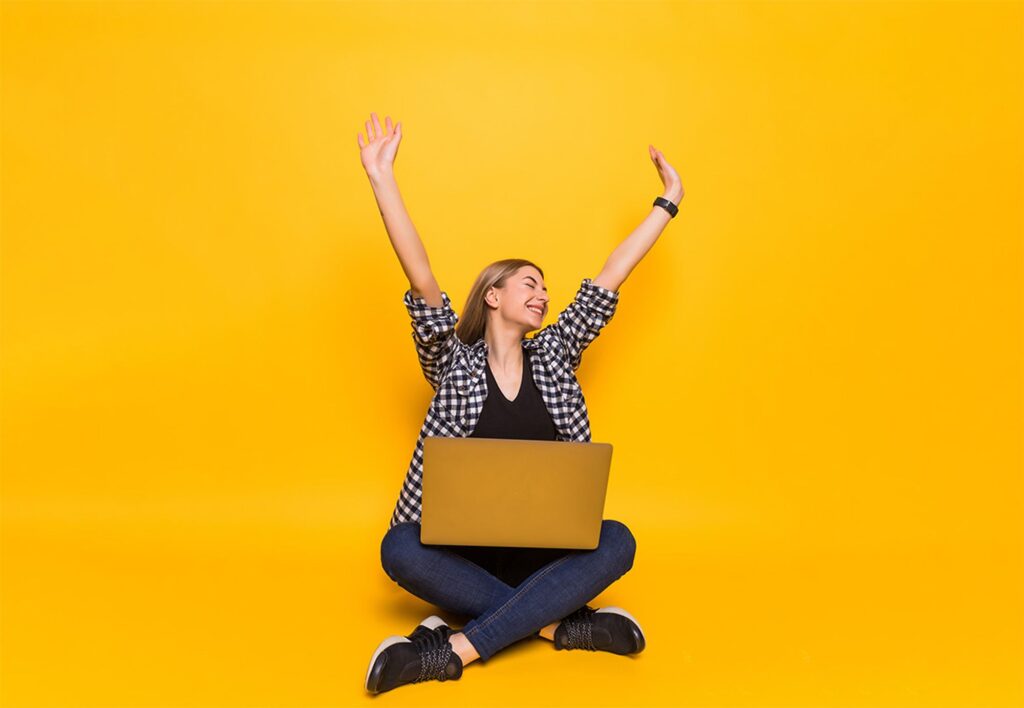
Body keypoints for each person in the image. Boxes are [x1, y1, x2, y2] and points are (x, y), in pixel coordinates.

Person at [357, 112, 684, 694]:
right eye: (528, 283)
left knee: (619, 540)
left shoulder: (556, 355)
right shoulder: (453, 361)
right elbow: (421, 274)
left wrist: (668, 202)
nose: (543, 293)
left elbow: (612, 274)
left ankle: (450, 649)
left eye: (545, 287)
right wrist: (382, 177)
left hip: (542, 555)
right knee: (399, 547)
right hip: (459, 557)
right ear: (493, 294)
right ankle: (556, 623)